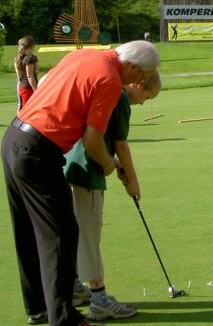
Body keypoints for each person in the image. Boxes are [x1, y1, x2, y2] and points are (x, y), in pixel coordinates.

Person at [2, 40, 159, 325]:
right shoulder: (110, 80)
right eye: (142, 76)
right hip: (39, 152)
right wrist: (110, 164)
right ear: (132, 66)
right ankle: (64, 319)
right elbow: (92, 141)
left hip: (14, 137)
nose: (139, 81)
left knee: (27, 231)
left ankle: (37, 307)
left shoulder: (86, 55)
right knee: (61, 234)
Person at [64, 72, 161, 322]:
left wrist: (116, 166)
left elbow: (103, 138)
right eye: (146, 97)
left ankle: (74, 287)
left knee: (75, 230)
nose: (142, 103)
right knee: (89, 231)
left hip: (71, 167)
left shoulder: (110, 93)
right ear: (139, 85)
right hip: (87, 172)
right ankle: (99, 300)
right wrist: (133, 180)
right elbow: (121, 144)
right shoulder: (120, 101)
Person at [14, 35, 39, 111]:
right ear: (31, 47)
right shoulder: (30, 59)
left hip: (22, 86)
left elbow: (19, 74)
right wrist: (36, 90)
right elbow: (30, 76)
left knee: (24, 109)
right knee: (28, 110)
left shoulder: (18, 57)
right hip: (28, 88)